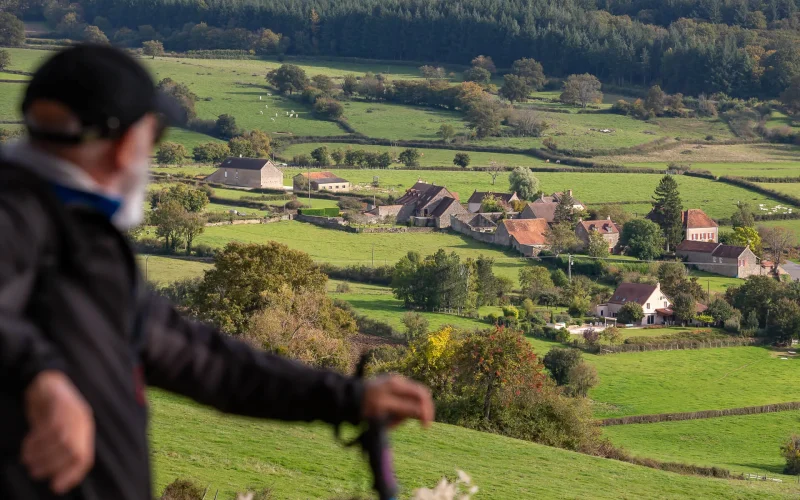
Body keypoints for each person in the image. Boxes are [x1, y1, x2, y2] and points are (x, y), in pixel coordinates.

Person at [0, 44, 434, 499]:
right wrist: (43, 380)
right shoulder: (18, 212)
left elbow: (207, 361)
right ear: (128, 141)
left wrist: (347, 397)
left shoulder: (86, 240)